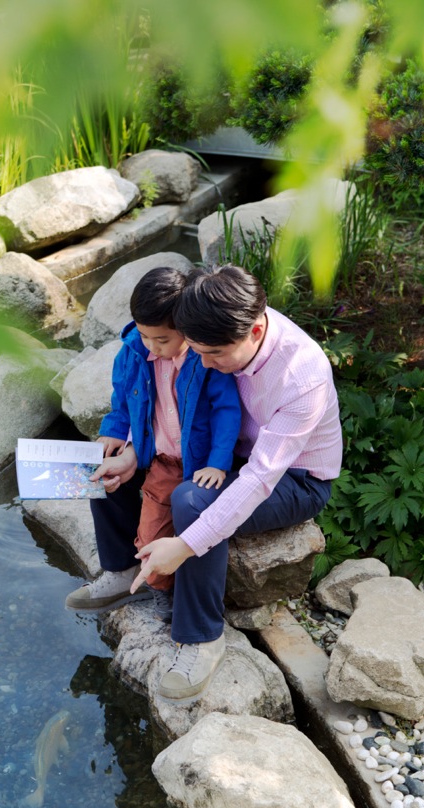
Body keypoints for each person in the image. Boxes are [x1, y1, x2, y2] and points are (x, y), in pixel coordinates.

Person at [125, 263, 343, 701]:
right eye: (197, 351)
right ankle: (120, 568)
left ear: (256, 333)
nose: (203, 364)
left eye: (214, 355)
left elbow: (262, 477)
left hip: (295, 478)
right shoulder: (223, 317)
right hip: (230, 455)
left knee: (193, 501)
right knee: (134, 463)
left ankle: (202, 637)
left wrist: (185, 546)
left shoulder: (303, 376)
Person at [65, 266, 241, 624]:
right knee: (105, 475)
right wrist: (114, 432)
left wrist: (219, 461)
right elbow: (122, 399)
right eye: (145, 336)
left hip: (193, 463)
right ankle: (122, 571)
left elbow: (227, 412)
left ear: (185, 328)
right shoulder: (132, 351)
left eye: (162, 340)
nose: (152, 347)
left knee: (167, 525)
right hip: (154, 454)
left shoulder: (201, 360)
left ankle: (162, 590)